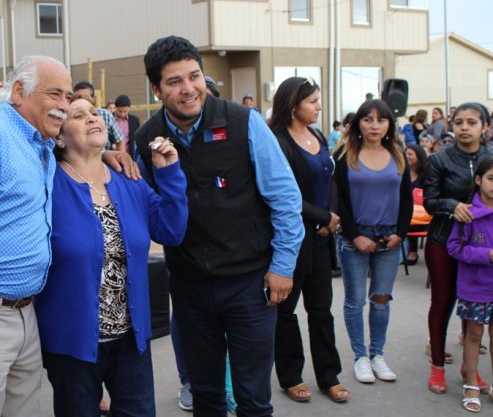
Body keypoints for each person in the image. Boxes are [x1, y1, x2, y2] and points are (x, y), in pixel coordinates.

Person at [0, 55, 137, 417]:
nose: (63, 105)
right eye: (54, 93)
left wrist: (108, 157)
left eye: (68, 97)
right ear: (19, 92)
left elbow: (81, 156)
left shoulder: (40, 146)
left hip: (23, 313)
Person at [134, 36, 304, 416]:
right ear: (157, 89)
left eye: (194, 76)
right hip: (190, 288)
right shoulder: (146, 140)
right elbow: (151, 212)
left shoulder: (245, 123)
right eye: (175, 81)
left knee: (253, 400)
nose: (189, 88)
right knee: (206, 397)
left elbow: (286, 200)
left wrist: (282, 266)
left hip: (250, 285)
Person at [35, 96, 188, 416]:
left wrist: (169, 172)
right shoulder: (46, 183)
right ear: (60, 137)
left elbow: (171, 231)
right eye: (78, 116)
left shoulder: (128, 180)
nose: (92, 118)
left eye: (94, 113)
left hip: (131, 341)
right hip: (72, 345)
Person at [269, 77, 347, 404]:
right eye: (312, 101)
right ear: (292, 104)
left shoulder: (316, 135)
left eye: (318, 100)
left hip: (320, 240)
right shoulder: (278, 141)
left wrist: (331, 215)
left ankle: (329, 376)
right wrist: (323, 217)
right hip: (292, 242)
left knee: (321, 312)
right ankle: (291, 376)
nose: (318, 107)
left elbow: (329, 178)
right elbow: (284, 196)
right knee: (286, 314)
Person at [333, 99, 413, 384]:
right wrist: (355, 234)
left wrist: (401, 234)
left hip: (389, 238)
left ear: (390, 124)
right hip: (355, 238)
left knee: (381, 299)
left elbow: (406, 200)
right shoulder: (345, 154)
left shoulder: (398, 154)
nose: (374, 125)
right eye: (368, 119)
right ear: (358, 123)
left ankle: (377, 354)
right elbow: (338, 200)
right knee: (355, 301)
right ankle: (360, 357)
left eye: (381, 120)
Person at [423, 102, 493, 394]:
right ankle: (438, 366)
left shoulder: (490, 158)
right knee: (442, 303)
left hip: (483, 244)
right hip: (443, 240)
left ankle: (469, 366)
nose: (465, 127)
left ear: (485, 127)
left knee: (474, 307)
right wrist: (454, 207)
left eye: (472, 122)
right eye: (459, 122)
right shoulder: (439, 159)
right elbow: (429, 201)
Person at [447, 156, 493, 413]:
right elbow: (455, 248)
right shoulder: (467, 213)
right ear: (478, 180)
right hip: (475, 286)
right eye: (490, 178)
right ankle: (472, 383)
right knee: (474, 334)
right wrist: (485, 254)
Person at [73, 81, 123, 151]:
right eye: (79, 97)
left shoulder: (105, 114)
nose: (82, 101)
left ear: (93, 99)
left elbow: (119, 140)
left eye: (85, 98)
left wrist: (119, 158)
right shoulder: (70, 117)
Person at [404, 144, 429, 265]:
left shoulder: (425, 176)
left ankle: (413, 252)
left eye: (410, 154)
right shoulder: (401, 173)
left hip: (423, 215)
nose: (407, 156)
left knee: (409, 218)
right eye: (406, 153)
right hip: (406, 211)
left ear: (418, 157)